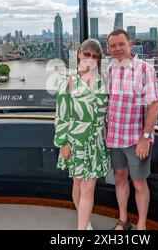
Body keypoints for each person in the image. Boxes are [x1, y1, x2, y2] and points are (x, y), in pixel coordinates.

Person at [53, 38, 110, 230]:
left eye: (95, 56)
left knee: (88, 187)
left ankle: (82, 225)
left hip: (96, 140)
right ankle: (84, 223)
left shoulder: (103, 80)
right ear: (79, 54)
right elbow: (61, 115)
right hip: (75, 140)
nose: (90, 59)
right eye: (87, 54)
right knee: (78, 183)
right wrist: (62, 142)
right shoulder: (68, 80)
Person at [106, 29, 158, 230]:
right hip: (114, 137)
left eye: (121, 44)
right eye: (113, 46)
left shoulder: (145, 70)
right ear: (109, 49)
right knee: (120, 178)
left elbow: (154, 105)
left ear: (130, 45)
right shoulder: (110, 70)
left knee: (139, 183)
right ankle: (123, 220)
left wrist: (145, 137)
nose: (118, 49)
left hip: (136, 139)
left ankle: (142, 225)